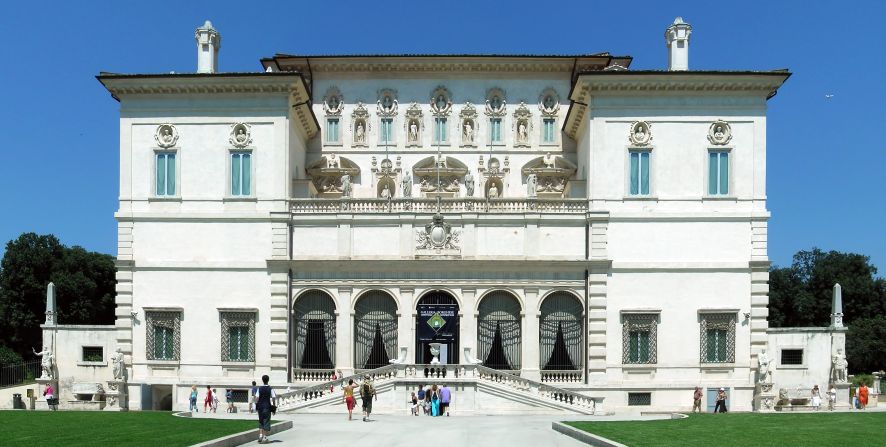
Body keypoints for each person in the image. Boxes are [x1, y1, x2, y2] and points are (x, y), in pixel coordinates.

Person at [254, 374, 277, 444]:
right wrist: (273, 406)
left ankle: (260, 436)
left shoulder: (259, 388)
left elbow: (256, 398)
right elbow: (273, 397)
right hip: (267, 407)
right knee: (266, 421)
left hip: (260, 407)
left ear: (262, 380)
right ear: (268, 380)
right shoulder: (270, 389)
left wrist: (256, 405)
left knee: (261, 421)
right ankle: (265, 438)